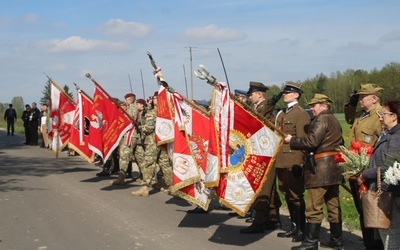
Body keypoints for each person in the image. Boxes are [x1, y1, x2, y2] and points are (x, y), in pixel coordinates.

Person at [285, 94, 344, 250]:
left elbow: (311, 142)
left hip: (320, 169)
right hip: (334, 167)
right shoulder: (334, 120)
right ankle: (336, 240)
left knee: (314, 207)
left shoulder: (322, 119)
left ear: (324, 106)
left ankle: (311, 243)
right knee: (333, 205)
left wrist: (292, 140)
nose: (311, 108)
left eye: (314, 105)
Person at [344, 83, 384, 250]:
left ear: (374, 99)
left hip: (369, 174)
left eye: (362, 97)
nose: (360, 100)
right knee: (362, 212)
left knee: (374, 213)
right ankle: (369, 243)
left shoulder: (380, 116)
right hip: (356, 172)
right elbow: (348, 119)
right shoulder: (362, 116)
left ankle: (377, 245)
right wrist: (351, 104)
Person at [357, 100, 400, 250]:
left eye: (383, 114)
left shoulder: (396, 137)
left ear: (394, 116)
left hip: (392, 193)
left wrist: (365, 174)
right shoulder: (389, 134)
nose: (380, 117)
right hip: (388, 192)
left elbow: (388, 167)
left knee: (391, 235)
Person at [240, 81, 282, 234]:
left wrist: (269, 105)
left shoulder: (266, 108)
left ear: (259, 94)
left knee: (263, 187)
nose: (250, 97)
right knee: (269, 188)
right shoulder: (255, 107)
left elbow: (265, 122)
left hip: (267, 152)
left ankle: (258, 221)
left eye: (251, 94)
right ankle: (273, 218)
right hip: (257, 150)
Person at [275, 82, 310, 242]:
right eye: (284, 92)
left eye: (288, 92)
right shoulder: (282, 114)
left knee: (296, 195)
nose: (284, 95)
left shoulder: (300, 114)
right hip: (281, 160)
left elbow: (303, 140)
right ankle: (294, 227)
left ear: (296, 95)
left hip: (293, 161)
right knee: (286, 194)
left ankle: (302, 229)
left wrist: (301, 163)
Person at [110, 94, 137, 185]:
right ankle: (146, 178)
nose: (125, 101)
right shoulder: (128, 108)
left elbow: (129, 119)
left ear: (131, 100)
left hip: (131, 135)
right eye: (125, 99)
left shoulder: (132, 108)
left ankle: (121, 177)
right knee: (138, 158)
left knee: (124, 156)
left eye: (127, 99)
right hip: (126, 135)